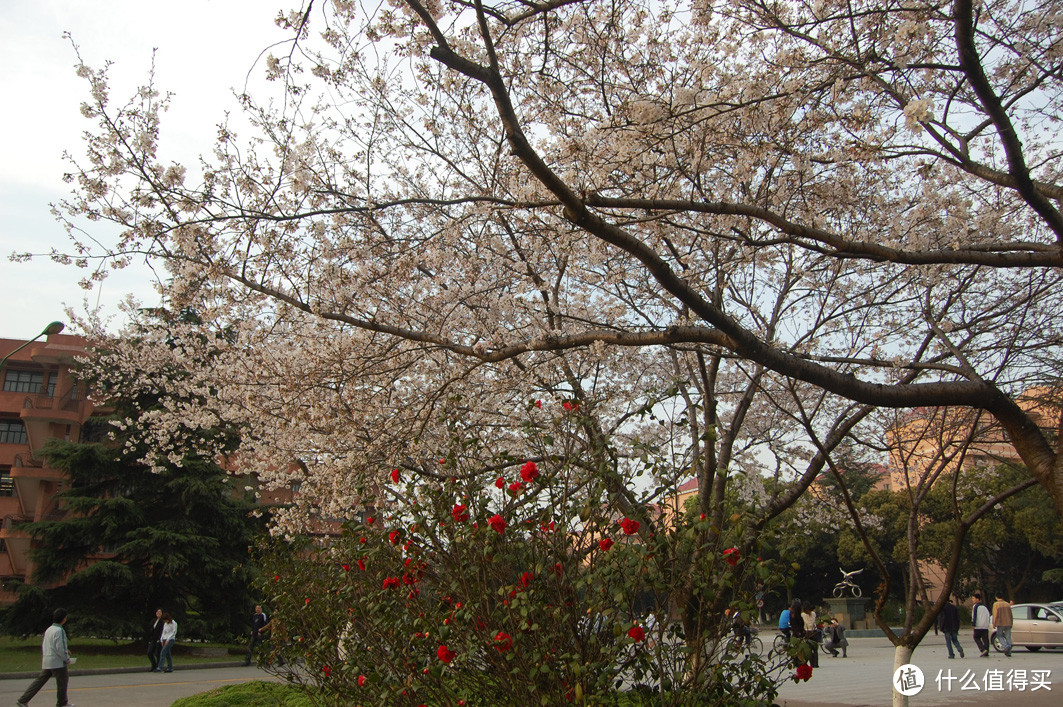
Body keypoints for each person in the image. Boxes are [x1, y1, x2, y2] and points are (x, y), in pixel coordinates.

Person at [17, 607, 75, 707]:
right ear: (64, 619)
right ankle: (62, 703)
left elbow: (48, 645)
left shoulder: (49, 629)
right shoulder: (59, 630)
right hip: (57, 663)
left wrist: (65, 651)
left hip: (47, 661)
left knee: (39, 681)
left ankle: (23, 700)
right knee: (62, 682)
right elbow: (60, 648)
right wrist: (67, 659)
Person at [991, 593, 1013, 657]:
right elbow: (1011, 614)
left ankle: (1006, 647)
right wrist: (1011, 622)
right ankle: (1009, 651)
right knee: (1008, 636)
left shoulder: (996, 604)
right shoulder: (1007, 604)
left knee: (999, 635)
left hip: (1000, 623)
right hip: (1008, 622)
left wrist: (994, 623)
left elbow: (995, 615)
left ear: (996, 597)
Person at [971, 592, 992, 657]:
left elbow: (974, 616)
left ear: (977, 599)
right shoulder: (984, 606)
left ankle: (982, 650)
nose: (973, 600)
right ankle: (986, 650)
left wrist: (973, 624)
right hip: (985, 626)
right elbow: (988, 615)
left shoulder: (975, 606)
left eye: (973, 598)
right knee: (985, 639)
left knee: (976, 637)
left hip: (978, 626)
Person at [801, 601, 820, 668]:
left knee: (815, 648)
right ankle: (812, 663)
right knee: (809, 649)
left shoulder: (813, 614)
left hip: (814, 631)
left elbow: (811, 623)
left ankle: (816, 664)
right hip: (807, 632)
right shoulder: (803, 615)